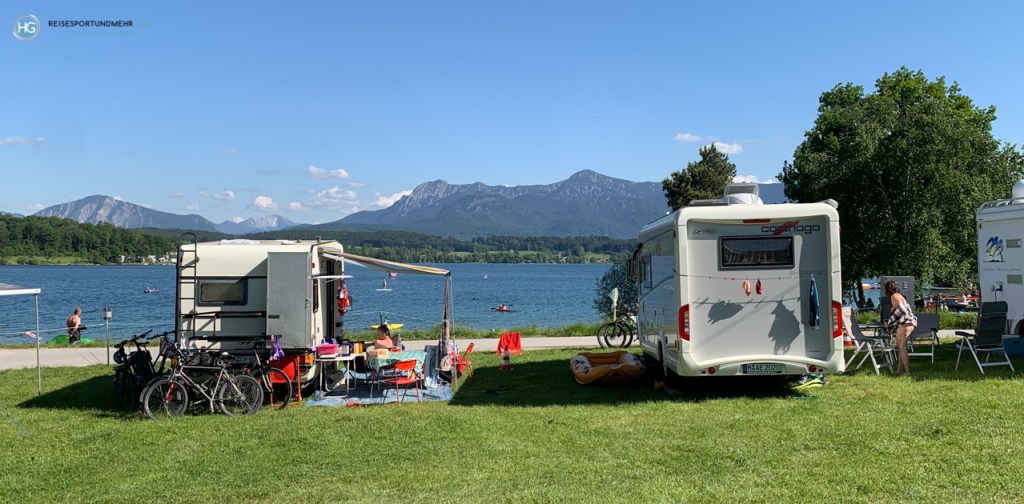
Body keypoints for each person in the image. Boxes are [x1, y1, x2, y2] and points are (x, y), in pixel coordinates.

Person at [883, 280, 918, 377]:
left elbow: (901, 309)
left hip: (905, 323)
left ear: (887, 289)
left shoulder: (893, 296)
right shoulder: (900, 295)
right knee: (900, 346)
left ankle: (907, 372)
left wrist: (892, 313)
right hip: (909, 322)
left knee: (902, 348)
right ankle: (899, 369)